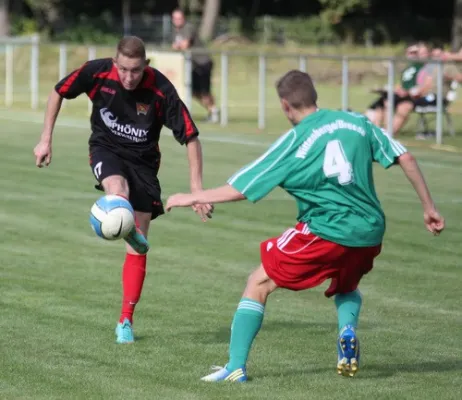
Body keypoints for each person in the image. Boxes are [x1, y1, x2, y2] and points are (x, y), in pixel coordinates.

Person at [166, 70, 445, 382]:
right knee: (347, 285)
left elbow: (242, 188)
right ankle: (347, 331)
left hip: (328, 230)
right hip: (369, 231)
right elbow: (404, 157)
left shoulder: (294, 141)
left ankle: (235, 367)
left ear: (286, 105)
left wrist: (192, 196)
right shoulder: (357, 123)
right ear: (314, 96)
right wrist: (429, 208)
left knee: (258, 282)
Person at [33, 36, 213, 344]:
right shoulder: (97, 72)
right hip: (106, 149)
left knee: (137, 239)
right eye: (124, 70)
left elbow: (191, 137)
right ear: (115, 63)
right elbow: (58, 91)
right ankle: (119, 213)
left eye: (136, 70)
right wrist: (45, 139)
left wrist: (196, 189)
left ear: (146, 65)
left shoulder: (160, 89)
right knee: (117, 189)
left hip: (144, 163)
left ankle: (125, 321)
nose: (130, 77)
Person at [171, 8, 219, 123]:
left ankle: (214, 112)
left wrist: (178, 46)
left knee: (204, 91)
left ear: (184, 18)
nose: (177, 20)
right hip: (193, 65)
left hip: (203, 63)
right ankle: (213, 110)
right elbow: (175, 45)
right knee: (192, 91)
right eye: (175, 18)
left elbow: (184, 45)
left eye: (180, 18)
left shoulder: (188, 27)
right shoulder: (175, 31)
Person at [365, 43, 424, 128]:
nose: (413, 55)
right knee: (380, 102)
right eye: (410, 53)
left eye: (415, 53)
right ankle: (377, 128)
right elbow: (402, 84)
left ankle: (386, 130)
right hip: (400, 94)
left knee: (387, 101)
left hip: (411, 96)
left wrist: (407, 92)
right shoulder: (406, 68)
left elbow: (420, 85)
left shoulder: (420, 67)